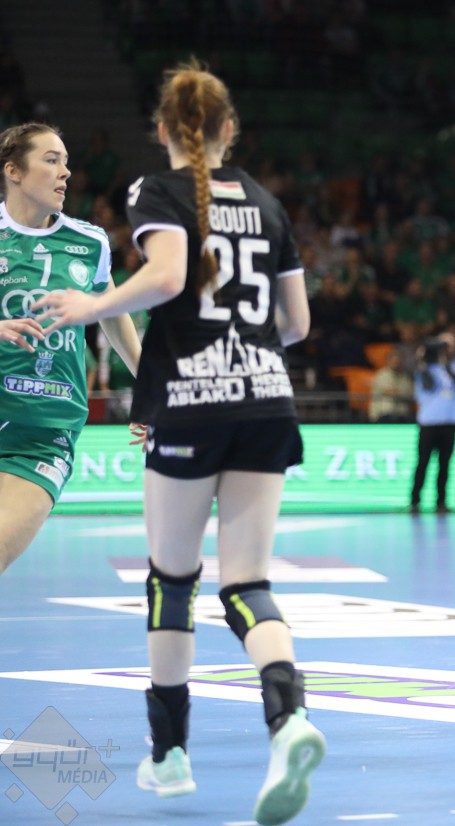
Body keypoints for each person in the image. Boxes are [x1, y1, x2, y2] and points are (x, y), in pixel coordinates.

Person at [31, 61, 324, 824]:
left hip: (190, 403)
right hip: (267, 400)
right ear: (231, 130)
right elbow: (297, 325)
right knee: (248, 583)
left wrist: (89, 306)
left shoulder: (156, 192)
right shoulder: (267, 204)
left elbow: (165, 277)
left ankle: (168, 756)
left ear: (163, 130)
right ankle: (289, 717)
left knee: (172, 580)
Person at [0, 122, 141, 574]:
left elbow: (111, 312)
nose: (65, 172)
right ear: (13, 171)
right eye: (51, 160)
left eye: (66, 162)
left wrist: (152, 387)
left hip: (44, 432)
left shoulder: (89, 241)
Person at [409, 329, 455, 513]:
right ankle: (414, 501)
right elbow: (428, 385)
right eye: (444, 345)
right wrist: (423, 360)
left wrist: (446, 364)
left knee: (444, 465)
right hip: (429, 423)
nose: (448, 349)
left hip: (449, 423)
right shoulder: (423, 369)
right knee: (423, 463)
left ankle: (441, 502)